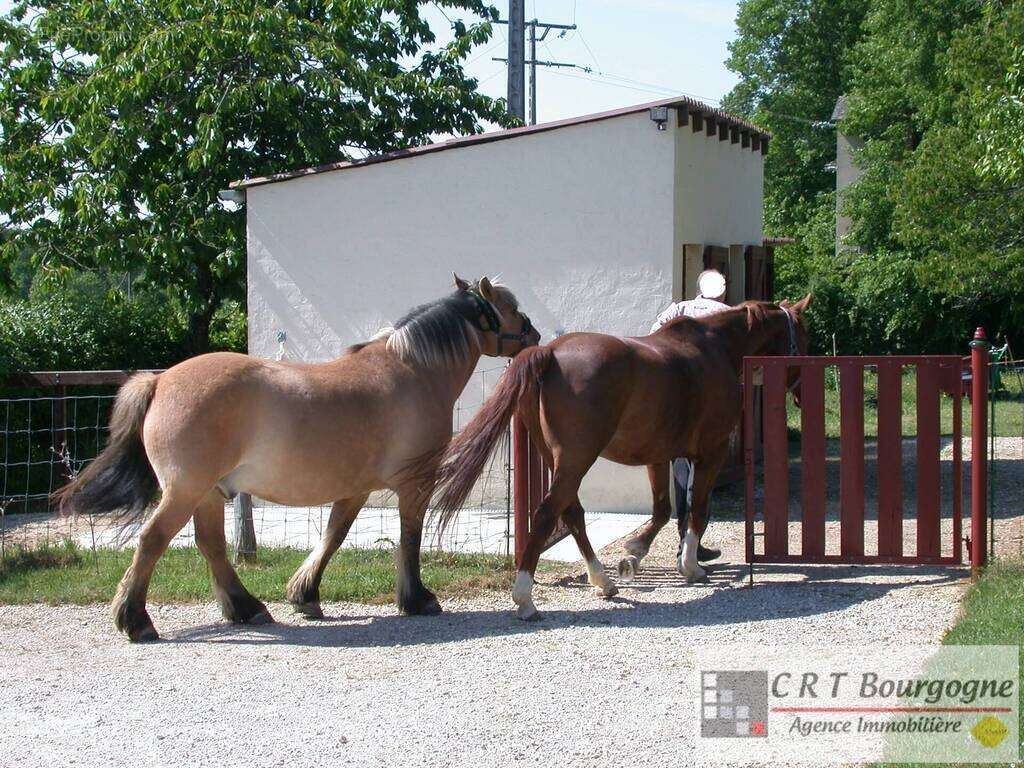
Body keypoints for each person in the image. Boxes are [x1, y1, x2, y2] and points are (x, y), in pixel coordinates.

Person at [650, 269, 730, 564]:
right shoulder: (726, 313)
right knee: (705, 470)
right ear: (721, 290)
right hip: (709, 403)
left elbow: (653, 336)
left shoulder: (678, 309)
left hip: (673, 398)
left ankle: (683, 536)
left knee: (680, 468)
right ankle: (692, 541)